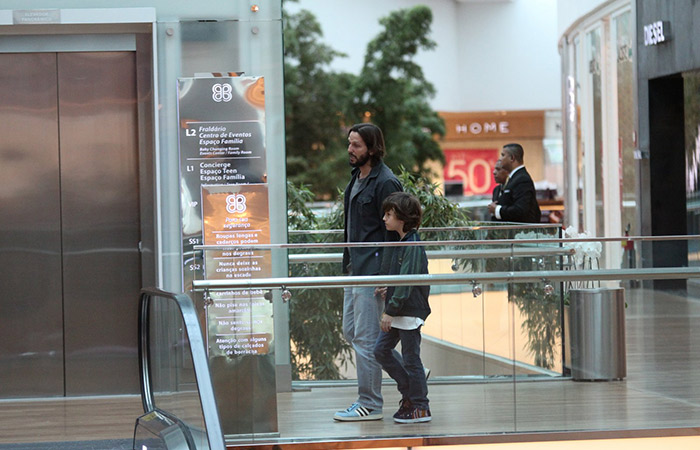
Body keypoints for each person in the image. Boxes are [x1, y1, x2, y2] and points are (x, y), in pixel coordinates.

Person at [334, 123, 403, 422]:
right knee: (353, 332)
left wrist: (388, 277)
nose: (350, 150)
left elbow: (397, 233)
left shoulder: (386, 182)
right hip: (354, 268)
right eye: (350, 144)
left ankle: (370, 403)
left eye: (357, 145)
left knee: (365, 338)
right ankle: (410, 372)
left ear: (373, 149)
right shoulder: (357, 178)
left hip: (373, 272)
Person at [373, 192, 432, 424]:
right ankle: (410, 392)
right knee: (382, 351)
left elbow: (408, 280)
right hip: (402, 309)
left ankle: (420, 406)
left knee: (411, 359)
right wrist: (391, 290)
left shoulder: (412, 244)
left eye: (389, 214)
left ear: (402, 217)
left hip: (407, 312)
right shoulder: (404, 242)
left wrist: (390, 310)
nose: (385, 218)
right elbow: (404, 279)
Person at [487, 143, 541, 223]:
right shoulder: (512, 179)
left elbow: (521, 210)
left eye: (503, 155)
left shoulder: (522, 179)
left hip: (522, 233)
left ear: (512, 158)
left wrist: (497, 210)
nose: (500, 159)